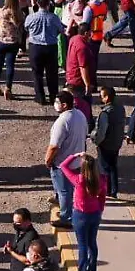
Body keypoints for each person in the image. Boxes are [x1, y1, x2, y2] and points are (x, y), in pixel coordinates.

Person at [45, 91, 88, 229]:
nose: (55, 105)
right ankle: (68, 209)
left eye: (57, 102)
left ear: (64, 105)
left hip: (62, 164)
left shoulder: (62, 122)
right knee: (70, 190)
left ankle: (66, 217)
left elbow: (54, 146)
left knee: (64, 191)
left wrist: (48, 160)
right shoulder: (80, 115)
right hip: (77, 161)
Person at [24, 0, 65, 105]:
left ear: (37, 4)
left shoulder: (31, 17)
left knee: (37, 74)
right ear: (48, 4)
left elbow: (26, 28)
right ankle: (53, 96)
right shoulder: (54, 17)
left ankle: (40, 97)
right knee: (52, 74)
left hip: (35, 47)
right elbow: (61, 30)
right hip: (51, 47)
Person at [91, 86, 126, 198]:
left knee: (105, 169)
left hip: (106, 145)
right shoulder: (120, 108)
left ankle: (106, 191)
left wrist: (96, 141)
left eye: (101, 96)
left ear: (106, 97)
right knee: (113, 167)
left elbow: (101, 132)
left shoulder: (105, 113)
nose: (100, 98)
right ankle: (114, 191)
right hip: (116, 143)